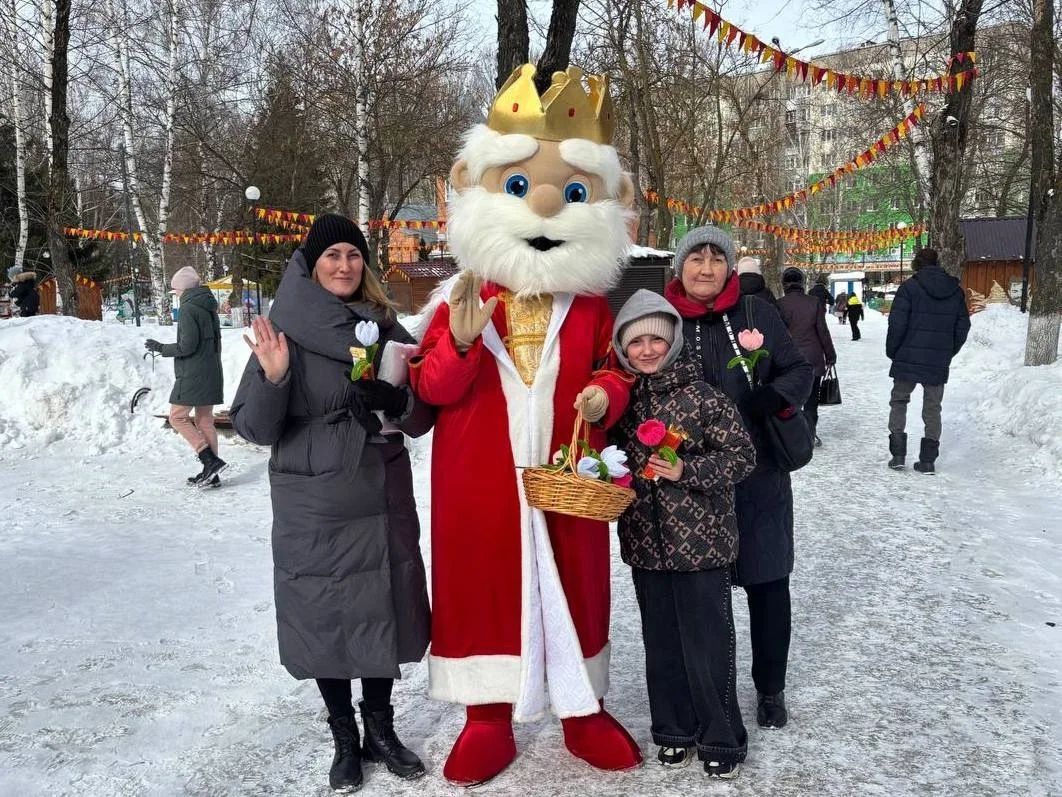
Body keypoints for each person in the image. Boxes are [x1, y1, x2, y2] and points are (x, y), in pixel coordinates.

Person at [409, 63, 642, 786]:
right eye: (517, 187)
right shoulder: (461, 296)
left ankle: (582, 709)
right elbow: (432, 388)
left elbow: (616, 370)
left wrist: (605, 394)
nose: (543, 206)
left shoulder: (592, 306)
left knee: (576, 586)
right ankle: (487, 715)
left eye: (571, 194)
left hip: (568, 475)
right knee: (482, 587)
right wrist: (461, 341)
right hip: (478, 478)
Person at [229, 214, 434, 792]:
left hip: (381, 486)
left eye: (353, 255)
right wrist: (274, 378)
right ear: (310, 264)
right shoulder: (283, 330)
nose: (344, 266)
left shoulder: (386, 326)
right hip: (314, 495)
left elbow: (422, 416)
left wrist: (395, 398)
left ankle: (381, 729)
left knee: (380, 604)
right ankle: (344, 735)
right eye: (331, 256)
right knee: (324, 612)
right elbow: (253, 428)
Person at [664, 225, 812, 731]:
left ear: (729, 267)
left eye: (716, 259)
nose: (706, 268)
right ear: (680, 267)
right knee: (702, 595)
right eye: (696, 259)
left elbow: (798, 370)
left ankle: (770, 688)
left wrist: (774, 396)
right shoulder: (665, 320)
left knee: (767, 583)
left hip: (758, 475)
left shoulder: (756, 313)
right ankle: (708, 690)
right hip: (691, 481)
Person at [609, 289, 756, 779]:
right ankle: (673, 730)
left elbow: (742, 458)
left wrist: (685, 470)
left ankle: (721, 737)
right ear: (622, 348)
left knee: (707, 645)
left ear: (672, 341)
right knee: (662, 644)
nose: (647, 350)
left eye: (656, 339)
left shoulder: (705, 397)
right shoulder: (625, 403)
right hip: (645, 545)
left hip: (702, 545)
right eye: (635, 342)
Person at [885, 247, 971, 473]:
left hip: (907, 356)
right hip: (937, 359)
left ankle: (898, 455)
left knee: (899, 401)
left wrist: (893, 351)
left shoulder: (908, 288)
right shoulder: (955, 291)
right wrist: (948, 351)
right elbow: (963, 326)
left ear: (917, 263)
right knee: (933, 407)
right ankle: (928, 461)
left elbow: (896, 324)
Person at [145, 267, 226, 487]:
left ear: (184, 289)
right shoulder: (208, 305)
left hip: (193, 373)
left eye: (177, 291)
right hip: (211, 370)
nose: (177, 295)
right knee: (205, 421)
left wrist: (161, 348)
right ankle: (212, 474)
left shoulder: (189, 308)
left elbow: (187, 346)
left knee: (177, 417)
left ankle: (209, 460)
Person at [776, 267, 836, 446]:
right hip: (813, 359)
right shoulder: (814, 302)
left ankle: (793, 437)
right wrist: (830, 355)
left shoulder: (779, 304)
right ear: (802, 282)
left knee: (790, 400)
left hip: (788, 361)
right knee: (811, 401)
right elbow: (823, 332)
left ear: (784, 284)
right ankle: (809, 435)